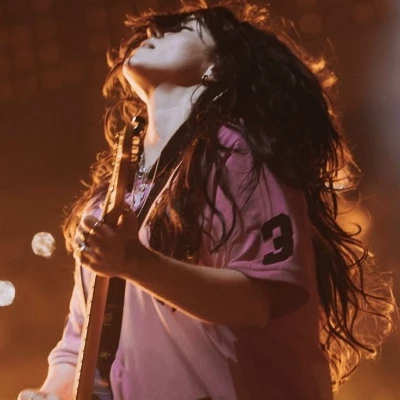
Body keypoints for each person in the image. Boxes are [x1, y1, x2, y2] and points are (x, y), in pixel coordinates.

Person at [19, 1, 395, 399]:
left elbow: (255, 301)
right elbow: (80, 342)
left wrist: (134, 262)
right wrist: (49, 392)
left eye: (183, 29)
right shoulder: (109, 194)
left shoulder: (239, 151)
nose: (154, 32)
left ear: (216, 68)